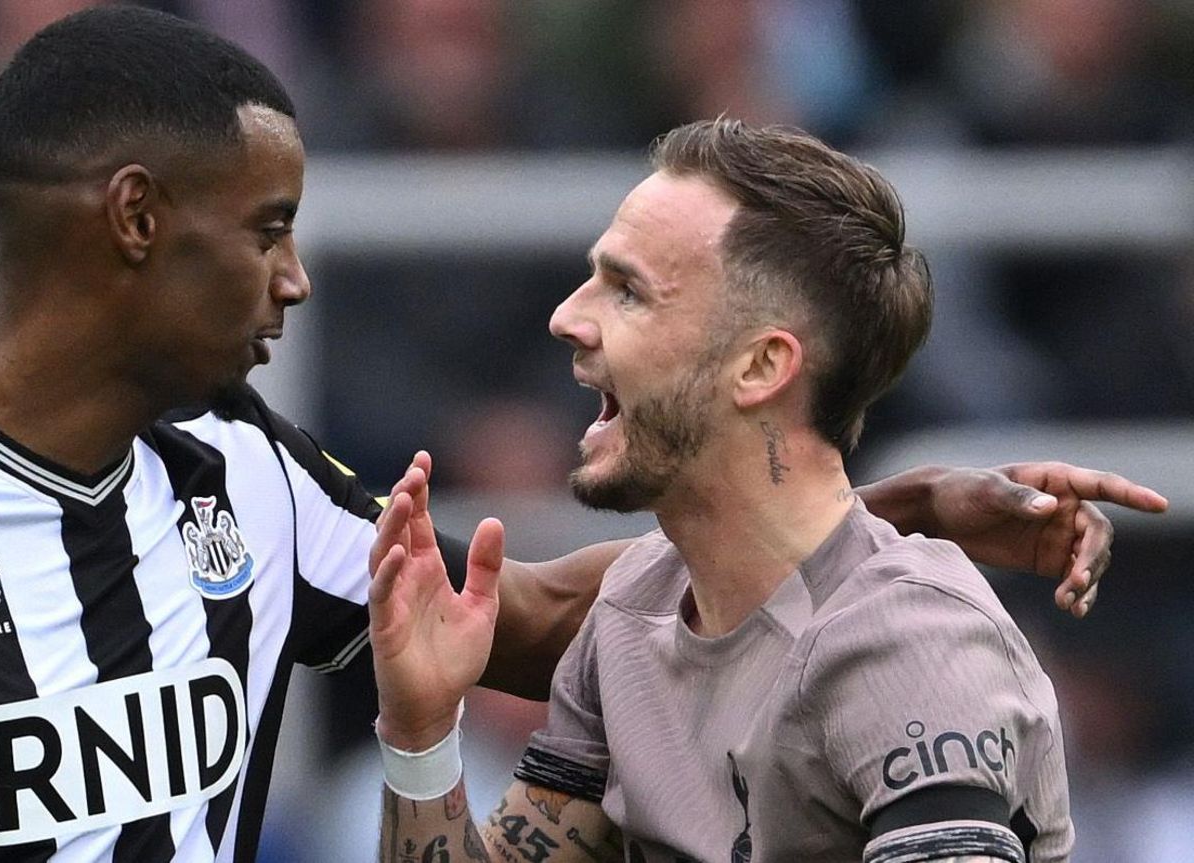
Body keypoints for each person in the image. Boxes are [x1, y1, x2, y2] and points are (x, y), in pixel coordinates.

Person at [0, 8, 1164, 863]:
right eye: (267, 228)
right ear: (135, 220)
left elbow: (542, 611)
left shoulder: (245, 476)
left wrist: (878, 515)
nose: (296, 277)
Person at [368, 120, 1167, 862]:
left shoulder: (912, 642)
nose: (567, 317)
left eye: (628, 291)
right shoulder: (629, 611)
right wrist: (420, 734)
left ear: (760, 367)